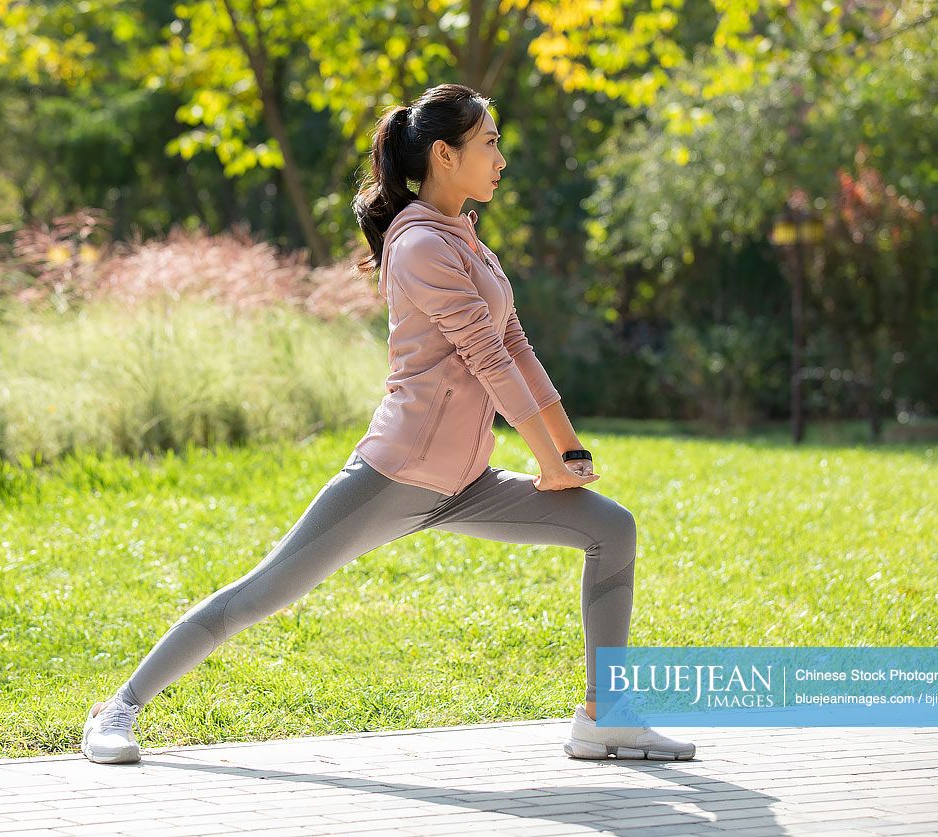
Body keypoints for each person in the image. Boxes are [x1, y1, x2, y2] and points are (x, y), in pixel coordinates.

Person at [81, 83, 696, 765]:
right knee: (265, 592)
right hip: (394, 475)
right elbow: (486, 358)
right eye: (489, 143)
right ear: (443, 153)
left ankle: (603, 715)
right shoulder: (419, 247)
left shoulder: (465, 241)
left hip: (464, 481)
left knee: (611, 528)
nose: (499, 159)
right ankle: (118, 708)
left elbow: (517, 345)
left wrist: (568, 448)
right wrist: (548, 460)